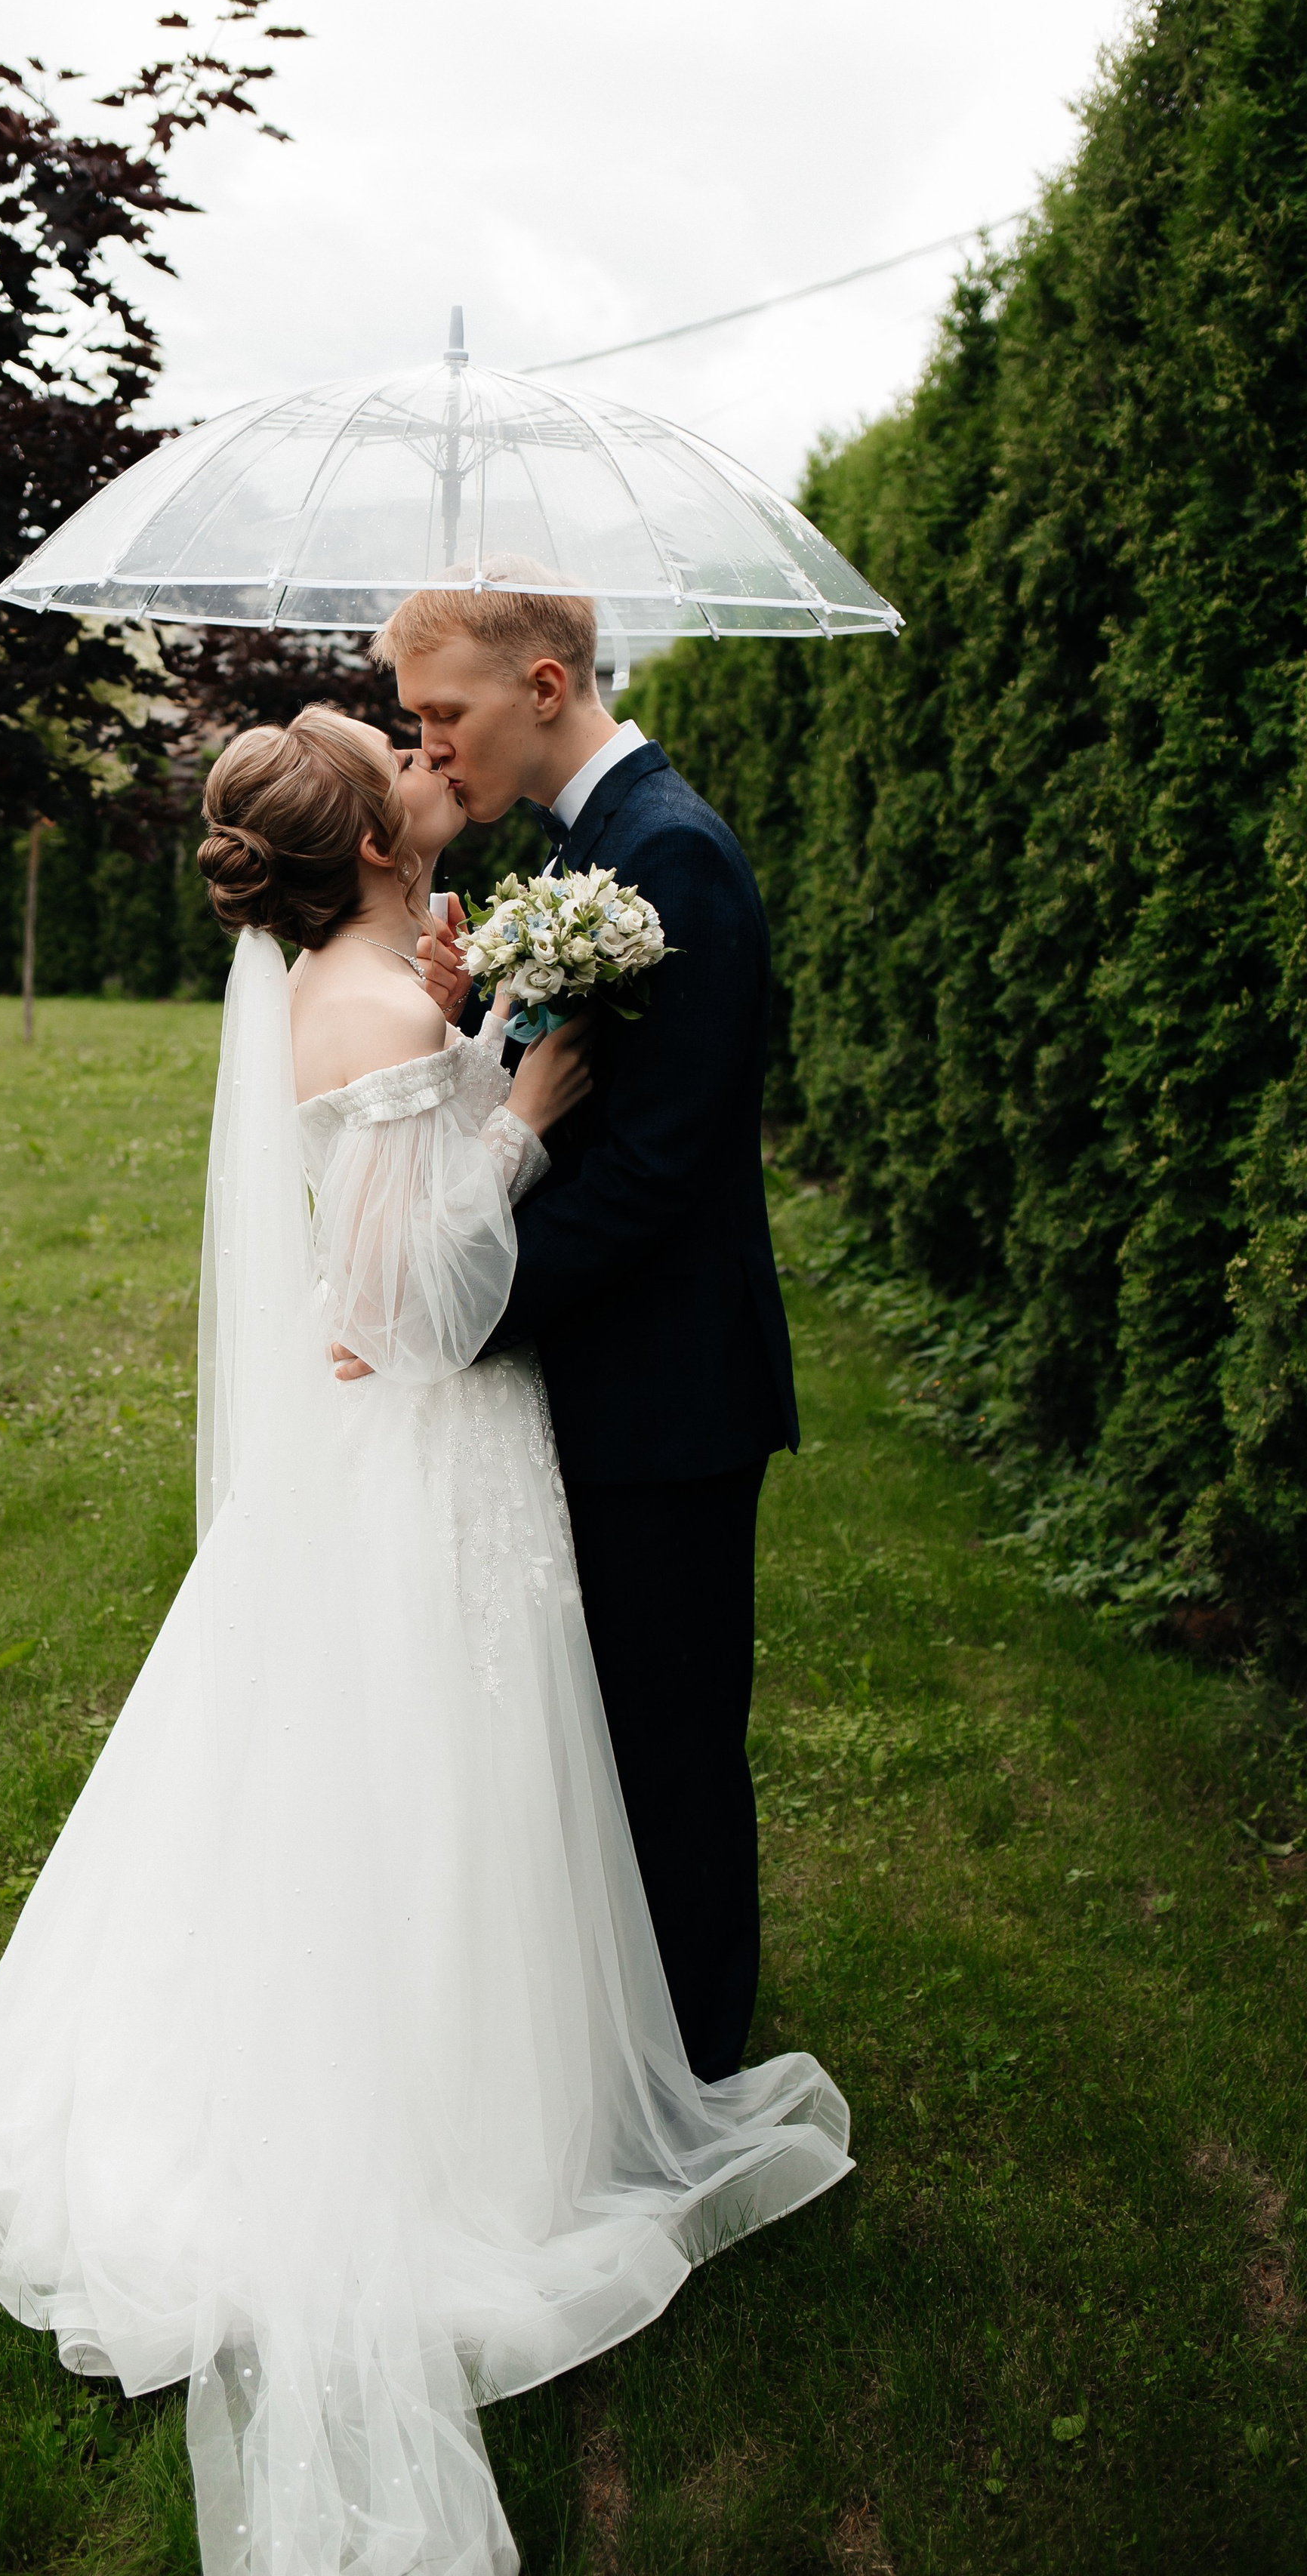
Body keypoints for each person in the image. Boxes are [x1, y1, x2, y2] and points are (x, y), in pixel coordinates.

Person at [0, 703, 849, 2576]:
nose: (423, 769)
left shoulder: (369, 981)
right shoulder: (374, 1010)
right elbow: (412, 1297)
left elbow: (382, 1204)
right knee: (434, 1764)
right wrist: (528, 1116)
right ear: (378, 851)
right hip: (424, 1452)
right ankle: (445, 2123)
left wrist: (472, 1036)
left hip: (392, 1453)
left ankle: (473, 2063)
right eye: (395, 769)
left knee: (406, 1768)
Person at [371, 576, 799, 2085]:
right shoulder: (587, 850)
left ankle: (689, 2077)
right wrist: (478, 1016)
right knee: (610, 1746)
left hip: (667, 1393)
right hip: (604, 1376)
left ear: (541, 687)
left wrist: (453, 1298)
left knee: (669, 1753)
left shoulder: (668, 853)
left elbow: (648, 1172)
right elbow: (570, 1090)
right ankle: (623, 2055)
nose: (422, 749)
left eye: (444, 715)